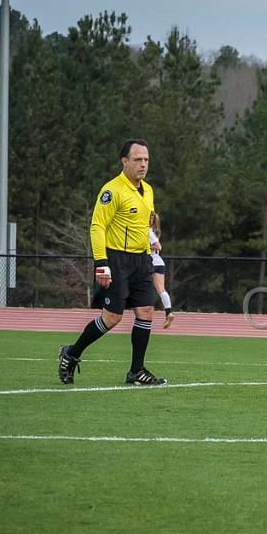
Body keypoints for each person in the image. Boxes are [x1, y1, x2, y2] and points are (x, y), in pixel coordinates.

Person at [57, 139, 166, 386]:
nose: (143, 164)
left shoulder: (147, 190)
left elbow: (144, 221)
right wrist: (101, 263)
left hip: (141, 259)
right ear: (124, 161)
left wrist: (151, 239)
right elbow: (97, 226)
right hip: (116, 259)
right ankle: (71, 353)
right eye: (137, 159)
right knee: (112, 318)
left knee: (146, 311)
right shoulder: (111, 191)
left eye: (146, 159)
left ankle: (136, 371)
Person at [148, 212, 175, 328]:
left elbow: (158, 246)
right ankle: (168, 312)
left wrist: (145, 247)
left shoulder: (148, 231)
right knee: (161, 290)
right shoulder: (155, 231)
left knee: (139, 284)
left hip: (150, 261)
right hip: (159, 261)